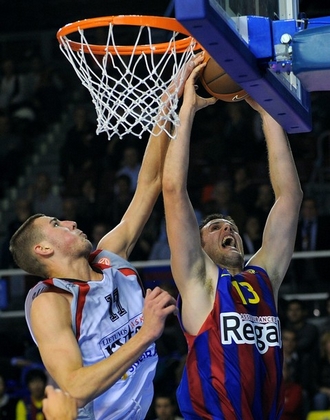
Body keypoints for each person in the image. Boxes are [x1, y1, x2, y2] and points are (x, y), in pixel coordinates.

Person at [9, 55, 199, 420]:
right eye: (55, 223)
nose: (69, 221)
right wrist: (146, 333)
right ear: (43, 249)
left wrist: (168, 104)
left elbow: (150, 184)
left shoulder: (110, 257)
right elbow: (76, 386)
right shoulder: (50, 302)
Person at [162, 60, 303, 419]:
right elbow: (174, 190)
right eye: (215, 228)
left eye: (232, 226)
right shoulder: (199, 281)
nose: (229, 229)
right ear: (199, 244)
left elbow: (289, 197)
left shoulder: (263, 276)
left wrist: (268, 111)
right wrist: (188, 110)